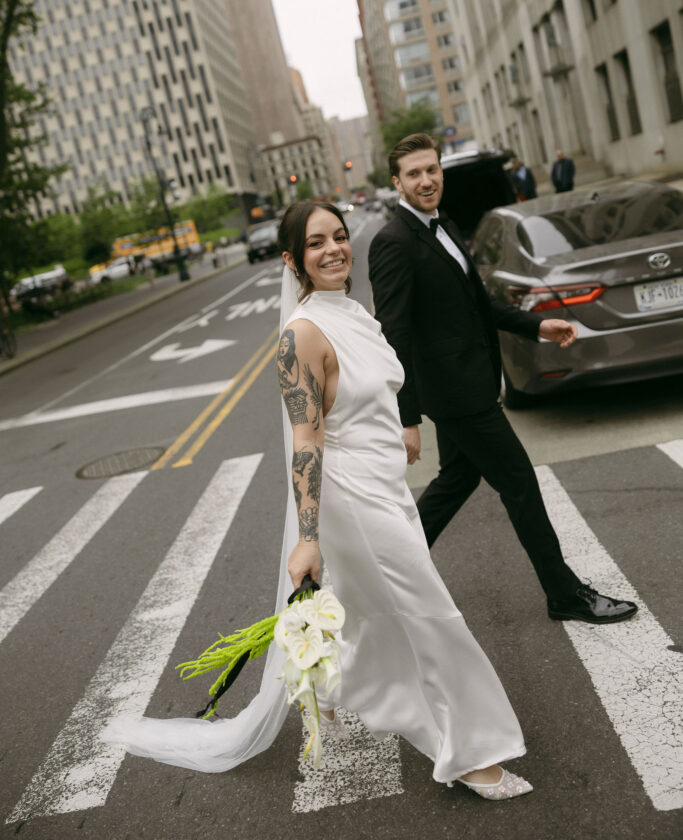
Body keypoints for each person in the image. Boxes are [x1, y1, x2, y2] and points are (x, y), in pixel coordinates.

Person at [106, 200, 533, 802]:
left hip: (386, 487)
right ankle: (469, 754)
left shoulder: (352, 312)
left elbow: (373, 395)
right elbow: (306, 440)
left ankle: (331, 690)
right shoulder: (300, 336)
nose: (334, 249)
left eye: (338, 237)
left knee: (376, 609)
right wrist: (308, 536)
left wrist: (400, 432)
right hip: (351, 498)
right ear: (291, 259)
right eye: (316, 243)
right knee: (430, 615)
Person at [368, 133, 637, 627]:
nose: (426, 180)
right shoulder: (394, 243)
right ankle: (564, 594)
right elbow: (394, 336)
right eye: (414, 174)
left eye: (432, 169)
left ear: (440, 171)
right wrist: (405, 418)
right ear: (397, 183)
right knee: (519, 483)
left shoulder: (443, 224)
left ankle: (386, 575)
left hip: (469, 383)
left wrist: (537, 325)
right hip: (457, 395)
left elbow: (478, 303)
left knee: (457, 478)